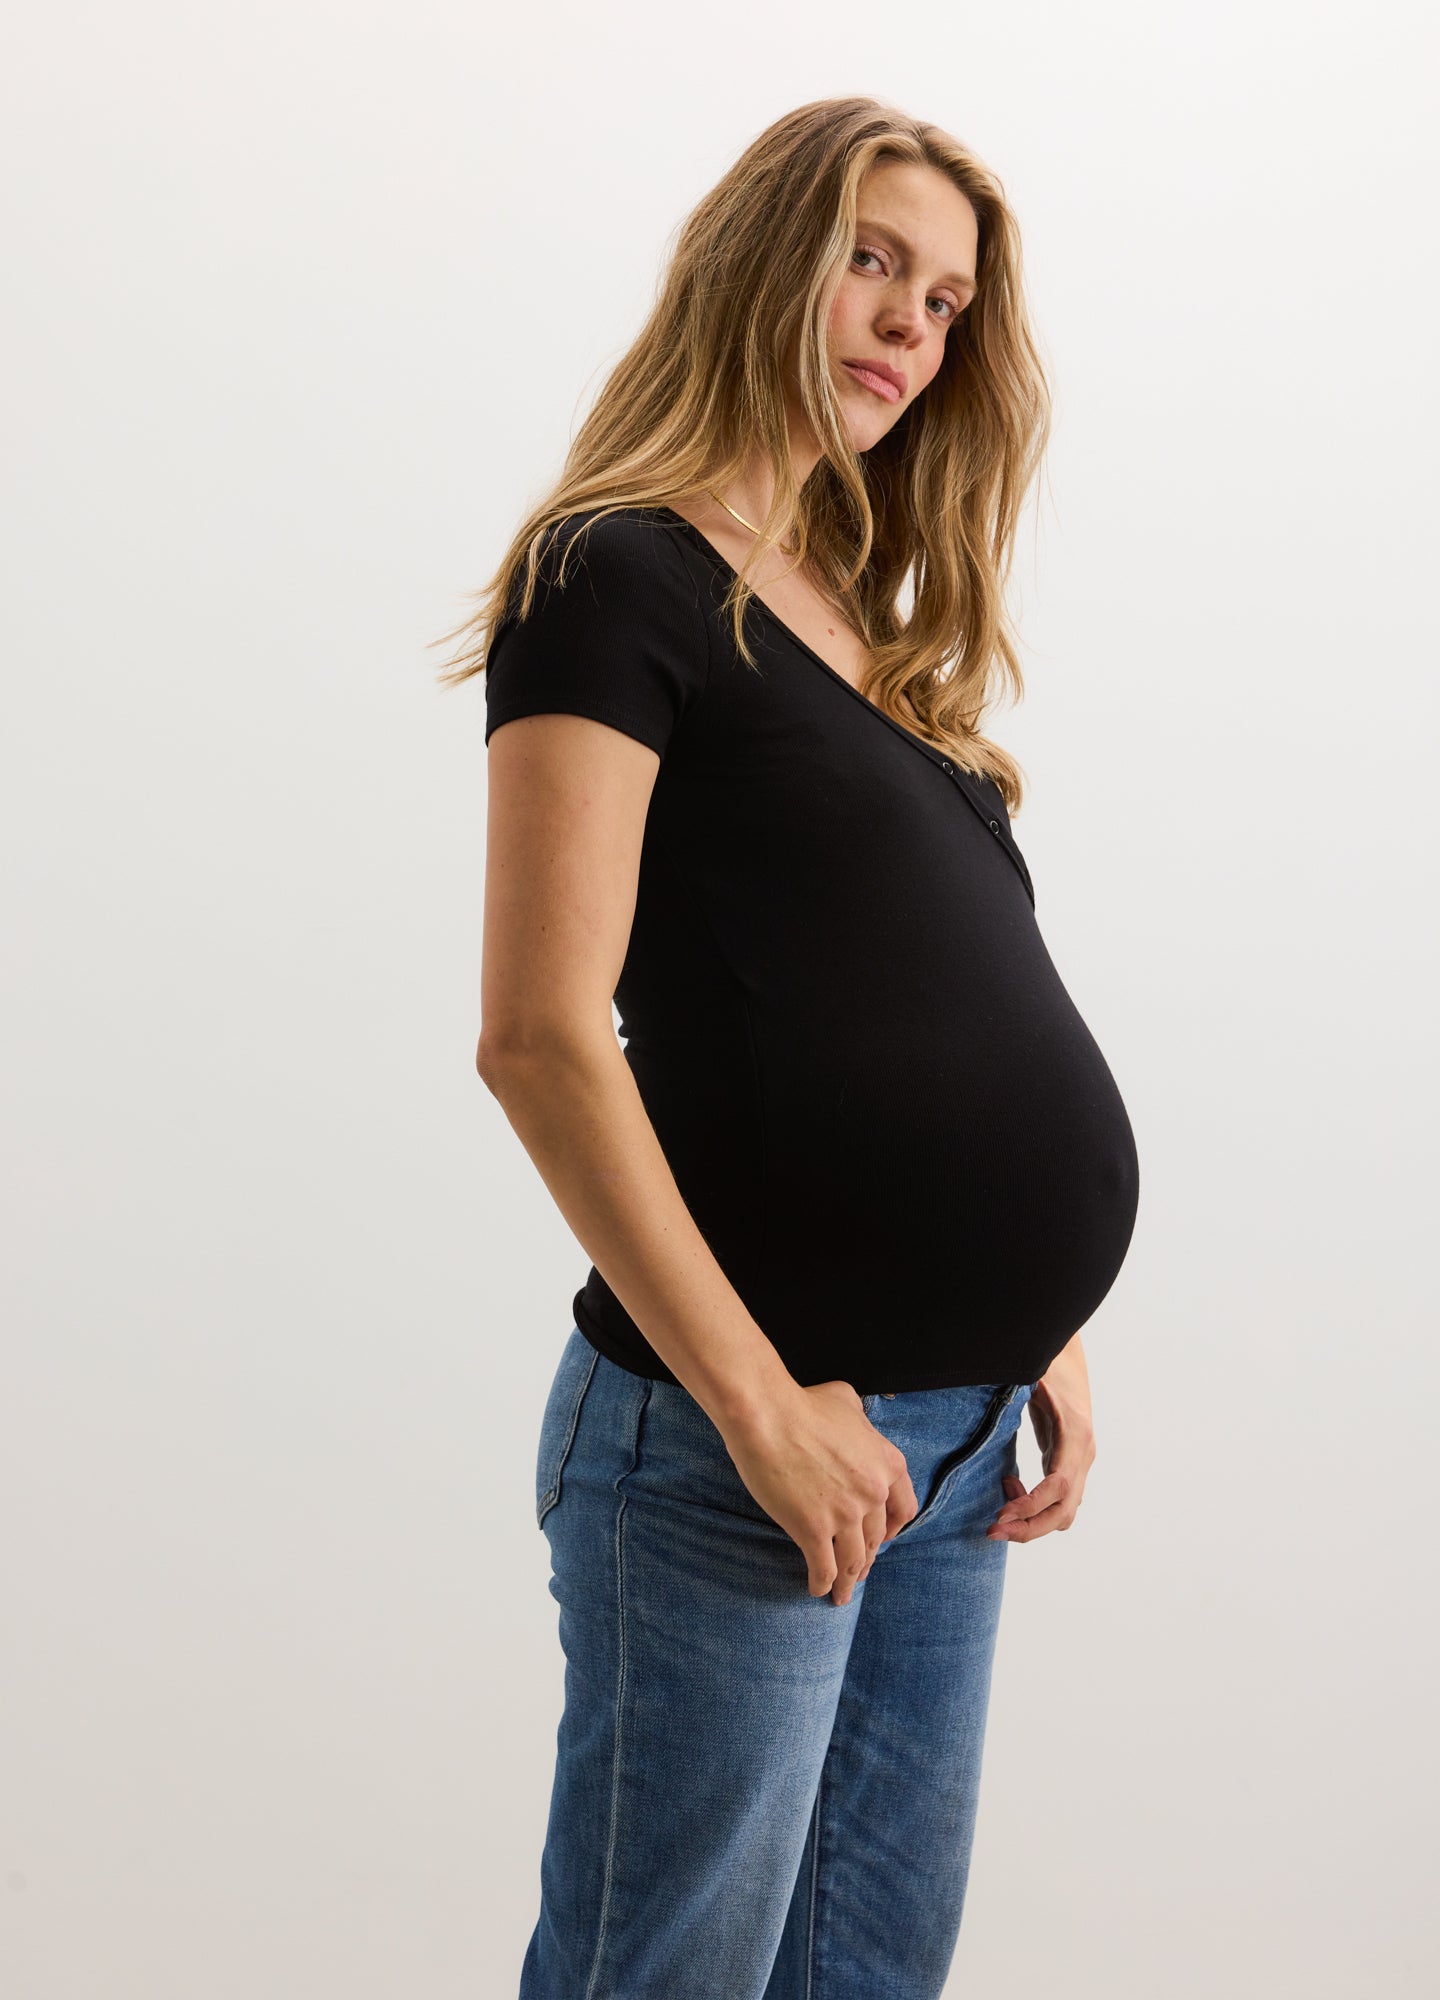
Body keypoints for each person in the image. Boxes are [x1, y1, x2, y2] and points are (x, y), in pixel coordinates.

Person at [435, 94, 1140, 2000]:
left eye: (947, 301)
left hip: (952, 1437)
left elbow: (895, 992)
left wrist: (1028, 1325)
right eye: (871, 258)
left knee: (863, 1977)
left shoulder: (866, 627)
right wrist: (762, 1409)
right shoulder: (614, 577)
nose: (910, 326)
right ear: (764, 258)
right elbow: (537, 1034)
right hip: (747, 1443)